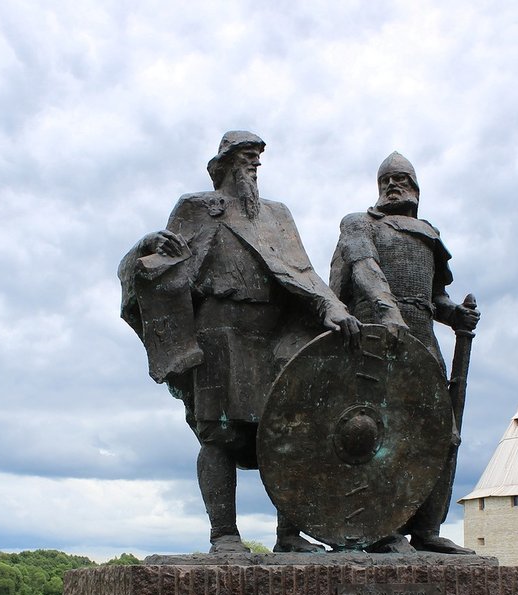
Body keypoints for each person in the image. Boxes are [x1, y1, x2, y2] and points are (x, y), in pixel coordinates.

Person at [119, 131, 359, 553]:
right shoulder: (197, 208)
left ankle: (289, 535)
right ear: (224, 164)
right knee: (219, 435)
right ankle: (224, 535)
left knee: (292, 432)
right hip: (219, 331)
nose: (254, 166)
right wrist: (146, 245)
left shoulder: (277, 215)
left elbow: (301, 271)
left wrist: (329, 307)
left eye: (257, 160)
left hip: (278, 334)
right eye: (246, 158)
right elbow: (157, 265)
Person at [330, 152, 480, 553]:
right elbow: (364, 270)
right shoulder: (359, 223)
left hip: (422, 341)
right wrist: (387, 310)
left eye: (402, 179)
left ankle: (427, 529)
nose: (393, 185)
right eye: (386, 180)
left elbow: (434, 298)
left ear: (416, 187)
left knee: (441, 435)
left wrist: (456, 315)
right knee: (383, 432)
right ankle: (383, 530)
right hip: (376, 340)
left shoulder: (428, 234)